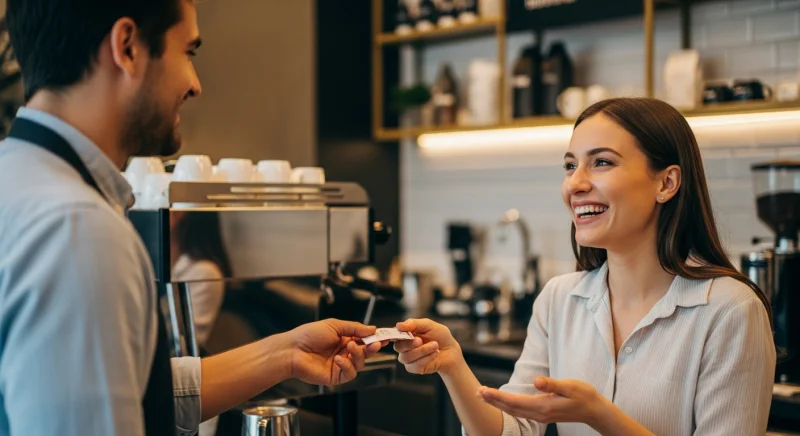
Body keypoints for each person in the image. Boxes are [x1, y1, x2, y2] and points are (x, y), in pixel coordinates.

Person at [0, 1, 387, 435]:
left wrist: (284, 354)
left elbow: (139, 391)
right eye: (189, 52)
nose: (195, 84)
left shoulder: (17, 179)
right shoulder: (78, 231)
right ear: (127, 47)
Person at [394, 98, 777, 435]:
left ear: (667, 183)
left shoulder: (730, 311)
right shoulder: (559, 299)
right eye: (570, 165)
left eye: (602, 162)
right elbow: (511, 431)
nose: (575, 184)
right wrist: (452, 365)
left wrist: (599, 415)